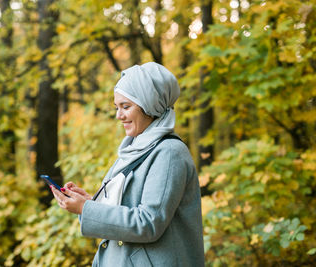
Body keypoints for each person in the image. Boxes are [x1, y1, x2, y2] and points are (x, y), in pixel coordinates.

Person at [50, 62, 205, 267]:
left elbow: (148, 223)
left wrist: (86, 209)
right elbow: (123, 210)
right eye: (117, 107)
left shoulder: (169, 153)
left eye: (126, 106)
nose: (118, 115)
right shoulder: (133, 149)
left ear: (149, 106)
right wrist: (89, 203)